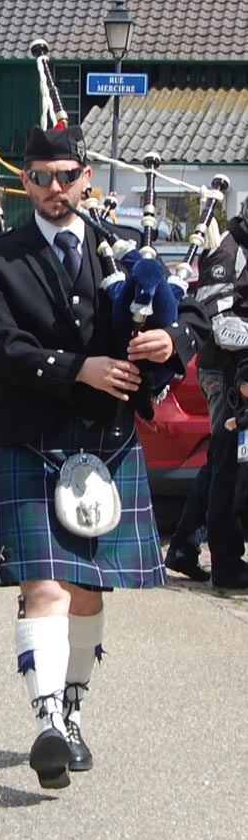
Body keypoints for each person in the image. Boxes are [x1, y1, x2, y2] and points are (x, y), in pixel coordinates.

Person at [0, 124, 208, 790]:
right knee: (41, 585)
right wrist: (78, 368)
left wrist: (168, 340)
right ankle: (46, 719)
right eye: (39, 176)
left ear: (85, 179)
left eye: (64, 175)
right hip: (28, 437)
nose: (52, 188)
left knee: (87, 589)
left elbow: (188, 318)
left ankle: (72, 709)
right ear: (22, 180)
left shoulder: (123, 250)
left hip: (105, 443)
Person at [168, 202, 248, 589]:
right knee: (230, 464)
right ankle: (227, 565)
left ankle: (184, 545)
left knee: (220, 458)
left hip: (241, 370)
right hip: (224, 371)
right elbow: (218, 323)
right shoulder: (228, 252)